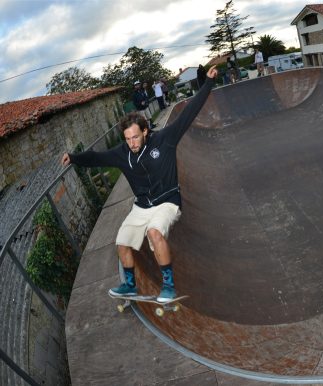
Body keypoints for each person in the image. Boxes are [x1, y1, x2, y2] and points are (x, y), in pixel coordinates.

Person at [61, 66, 218, 302]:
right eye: (128, 139)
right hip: (142, 206)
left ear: (145, 131)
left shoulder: (165, 139)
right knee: (122, 242)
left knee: (154, 232)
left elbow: (189, 112)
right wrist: (73, 157)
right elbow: (96, 158)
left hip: (167, 202)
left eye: (135, 137)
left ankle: (168, 285)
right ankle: (130, 285)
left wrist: (207, 83)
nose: (132, 143)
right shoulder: (122, 153)